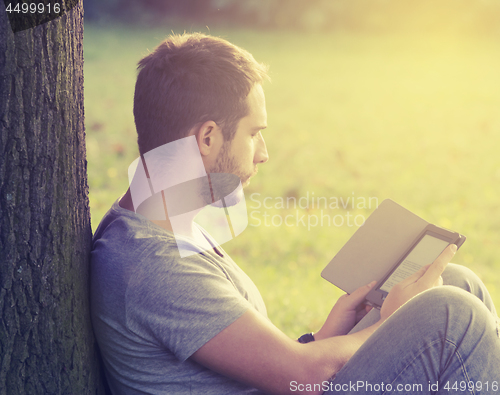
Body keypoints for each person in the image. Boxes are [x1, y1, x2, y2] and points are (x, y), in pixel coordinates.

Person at [90, 33, 500, 395]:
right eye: (254, 134)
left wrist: (324, 336)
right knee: (451, 314)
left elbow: (253, 365)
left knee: (458, 284)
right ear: (208, 137)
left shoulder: (163, 224)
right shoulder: (153, 264)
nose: (264, 154)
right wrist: (387, 323)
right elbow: (302, 380)